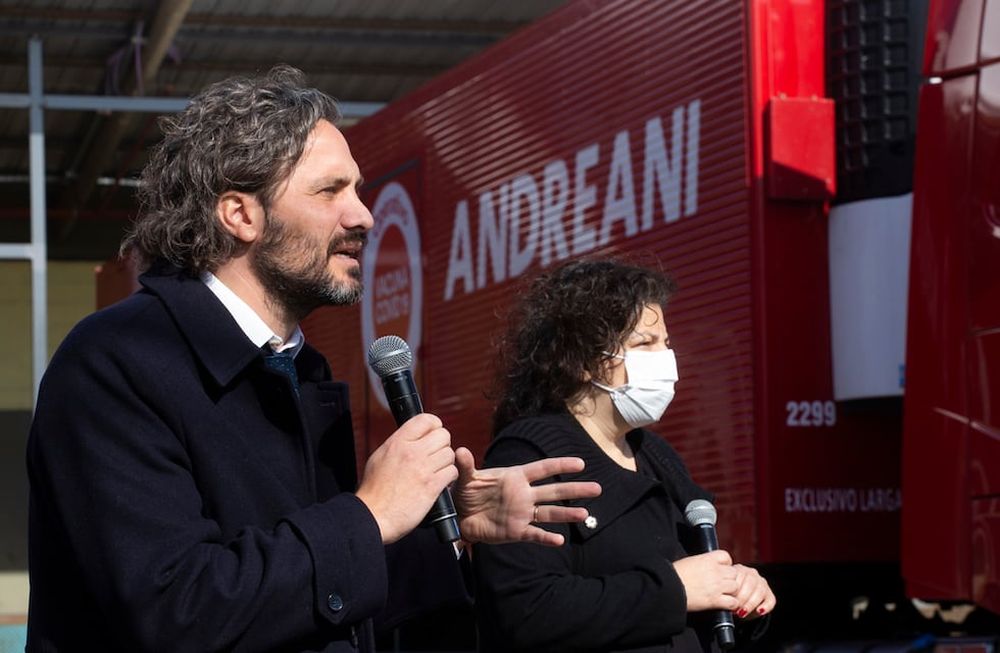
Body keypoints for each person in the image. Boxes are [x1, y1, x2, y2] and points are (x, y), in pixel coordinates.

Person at [25, 66, 600, 653]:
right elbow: (175, 610)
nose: (363, 216)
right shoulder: (113, 361)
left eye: (357, 189)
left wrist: (435, 527)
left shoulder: (300, 368)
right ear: (240, 214)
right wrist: (369, 514)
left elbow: (315, 607)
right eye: (330, 191)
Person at [472, 259, 776, 652]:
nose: (666, 358)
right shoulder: (531, 454)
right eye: (644, 343)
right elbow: (528, 611)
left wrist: (739, 592)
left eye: (665, 343)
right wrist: (675, 590)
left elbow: (701, 588)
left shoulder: (657, 456)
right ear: (583, 361)